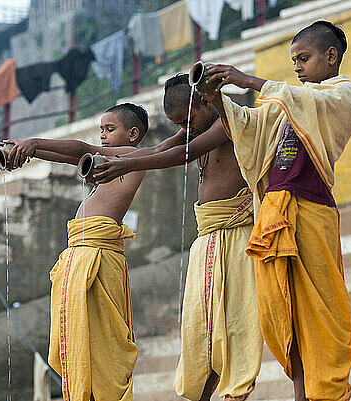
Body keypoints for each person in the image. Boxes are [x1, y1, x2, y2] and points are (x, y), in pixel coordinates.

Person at [201, 20, 351, 401]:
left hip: (312, 212)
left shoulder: (342, 92)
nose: (297, 67)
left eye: (304, 58)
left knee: (320, 316)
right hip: (274, 214)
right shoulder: (287, 99)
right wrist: (218, 98)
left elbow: (312, 102)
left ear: (331, 56)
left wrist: (248, 80)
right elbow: (250, 127)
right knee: (284, 315)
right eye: (294, 61)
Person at [92, 74, 263, 400]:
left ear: (205, 102)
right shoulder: (193, 126)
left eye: (188, 120)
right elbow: (160, 147)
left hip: (237, 237)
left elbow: (183, 154)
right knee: (201, 330)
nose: (186, 129)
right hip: (207, 237)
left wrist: (122, 167)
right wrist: (108, 160)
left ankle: (235, 394)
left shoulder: (229, 120)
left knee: (234, 327)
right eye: (178, 124)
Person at [3, 103, 148, 401]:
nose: (104, 136)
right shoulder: (108, 165)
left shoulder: (134, 158)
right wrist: (30, 152)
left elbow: (80, 147)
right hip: (80, 255)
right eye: (101, 130)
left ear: (133, 134)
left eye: (110, 129)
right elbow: (74, 155)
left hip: (98, 256)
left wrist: (35, 142)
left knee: (102, 345)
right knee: (81, 342)